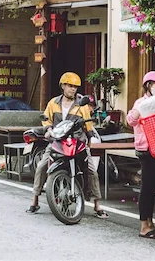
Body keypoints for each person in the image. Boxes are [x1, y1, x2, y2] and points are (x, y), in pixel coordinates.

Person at [26, 72, 108, 219]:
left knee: (92, 171)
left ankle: (97, 205)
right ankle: (35, 200)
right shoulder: (53, 103)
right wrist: (49, 130)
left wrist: (88, 139)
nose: (73, 89)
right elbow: (46, 120)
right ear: (63, 86)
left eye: (75, 87)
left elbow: (88, 124)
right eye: (70, 86)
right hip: (57, 141)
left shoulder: (81, 103)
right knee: (41, 166)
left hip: (77, 141)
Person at [127, 71, 155, 239]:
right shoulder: (141, 102)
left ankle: (151, 223)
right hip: (146, 149)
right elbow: (130, 120)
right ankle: (144, 226)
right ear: (148, 86)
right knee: (147, 187)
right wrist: (141, 109)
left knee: (153, 187)